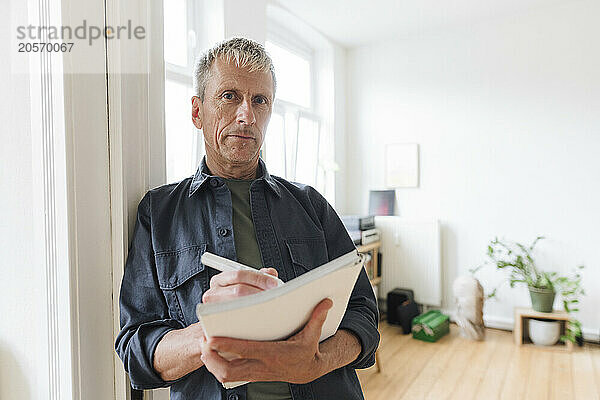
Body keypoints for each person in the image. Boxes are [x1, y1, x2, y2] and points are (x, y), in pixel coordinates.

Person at [115, 37, 379, 400]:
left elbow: (363, 311)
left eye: (260, 101)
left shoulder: (311, 205)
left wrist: (317, 362)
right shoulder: (158, 214)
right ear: (197, 112)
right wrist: (209, 332)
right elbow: (134, 352)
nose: (247, 116)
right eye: (229, 96)